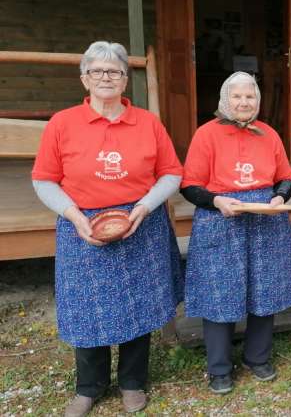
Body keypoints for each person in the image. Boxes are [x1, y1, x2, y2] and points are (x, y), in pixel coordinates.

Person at [31, 41, 184, 416]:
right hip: (81, 225)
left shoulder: (147, 122)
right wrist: (74, 215)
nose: (105, 77)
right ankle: (90, 386)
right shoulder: (62, 123)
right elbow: (44, 179)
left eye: (113, 71)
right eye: (97, 71)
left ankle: (133, 383)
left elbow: (171, 172)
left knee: (139, 304)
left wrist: (145, 208)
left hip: (140, 223)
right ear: (84, 78)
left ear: (124, 80)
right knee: (87, 308)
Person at [180, 71, 291, 394]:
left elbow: (286, 176)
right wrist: (216, 200)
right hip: (220, 217)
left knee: (265, 288)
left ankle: (257, 358)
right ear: (225, 100)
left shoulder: (269, 134)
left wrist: (279, 197)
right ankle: (219, 367)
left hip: (264, 220)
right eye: (237, 96)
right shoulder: (206, 134)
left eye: (250, 97)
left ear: (257, 102)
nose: (244, 102)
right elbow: (189, 185)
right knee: (220, 291)